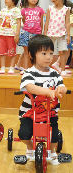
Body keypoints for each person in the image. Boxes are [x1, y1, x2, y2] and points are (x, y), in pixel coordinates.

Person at [18, 34, 67, 165]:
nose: (48, 57)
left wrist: (62, 89)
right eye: (44, 53)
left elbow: (61, 84)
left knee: (54, 135)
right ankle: (29, 147)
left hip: (49, 112)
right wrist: (48, 92)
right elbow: (29, 87)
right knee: (24, 134)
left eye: (51, 53)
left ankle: (52, 153)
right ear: (31, 55)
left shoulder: (55, 73)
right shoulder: (29, 73)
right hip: (30, 112)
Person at [16, 0, 45, 75]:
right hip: (26, 32)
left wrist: (40, 32)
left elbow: (41, 23)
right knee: (26, 52)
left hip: (36, 33)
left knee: (36, 52)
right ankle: (25, 68)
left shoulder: (40, 10)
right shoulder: (24, 10)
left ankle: (36, 68)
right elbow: (24, 21)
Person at [44, 0, 71, 77]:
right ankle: (45, 68)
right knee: (47, 51)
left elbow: (67, 23)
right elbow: (47, 21)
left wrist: (68, 35)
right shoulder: (50, 8)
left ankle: (63, 70)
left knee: (62, 52)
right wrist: (45, 33)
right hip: (51, 33)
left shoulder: (66, 9)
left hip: (62, 33)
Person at [0, 0, 22, 74]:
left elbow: (19, 23)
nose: (5, 0)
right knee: (2, 53)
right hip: (2, 34)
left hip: (12, 35)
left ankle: (11, 67)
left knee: (12, 52)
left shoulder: (17, 10)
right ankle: (3, 67)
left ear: (13, 0)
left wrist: (17, 34)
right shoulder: (3, 11)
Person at [51, 0, 73, 74]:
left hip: (68, 36)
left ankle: (62, 67)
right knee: (66, 52)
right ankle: (58, 64)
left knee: (67, 51)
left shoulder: (68, 16)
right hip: (67, 36)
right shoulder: (69, 16)